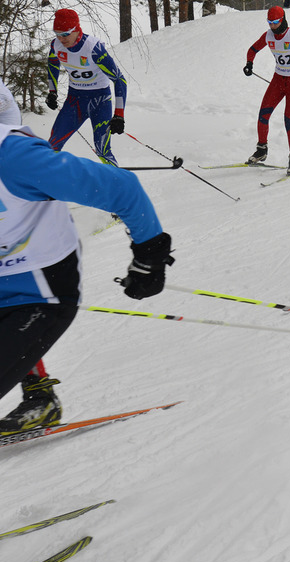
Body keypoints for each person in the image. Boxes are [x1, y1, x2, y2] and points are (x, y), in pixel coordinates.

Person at [0, 123, 173, 435]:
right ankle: (39, 396)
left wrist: (149, 256)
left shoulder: (13, 158)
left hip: (38, 291)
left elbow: (122, 188)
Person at [242, 6, 290, 174]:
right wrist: (249, 63)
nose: (272, 26)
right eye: (270, 23)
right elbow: (252, 49)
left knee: (289, 120)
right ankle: (261, 150)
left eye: (275, 22)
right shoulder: (268, 35)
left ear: (283, 19)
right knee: (263, 115)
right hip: (278, 80)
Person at [45, 8, 128, 166]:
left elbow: (119, 80)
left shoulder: (93, 48)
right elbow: (52, 64)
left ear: (76, 29)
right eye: (57, 33)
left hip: (100, 101)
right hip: (75, 101)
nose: (61, 39)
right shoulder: (56, 45)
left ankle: (117, 182)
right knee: (52, 146)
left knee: (102, 149)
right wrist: (52, 92)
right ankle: (47, 183)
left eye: (65, 34)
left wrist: (119, 115)